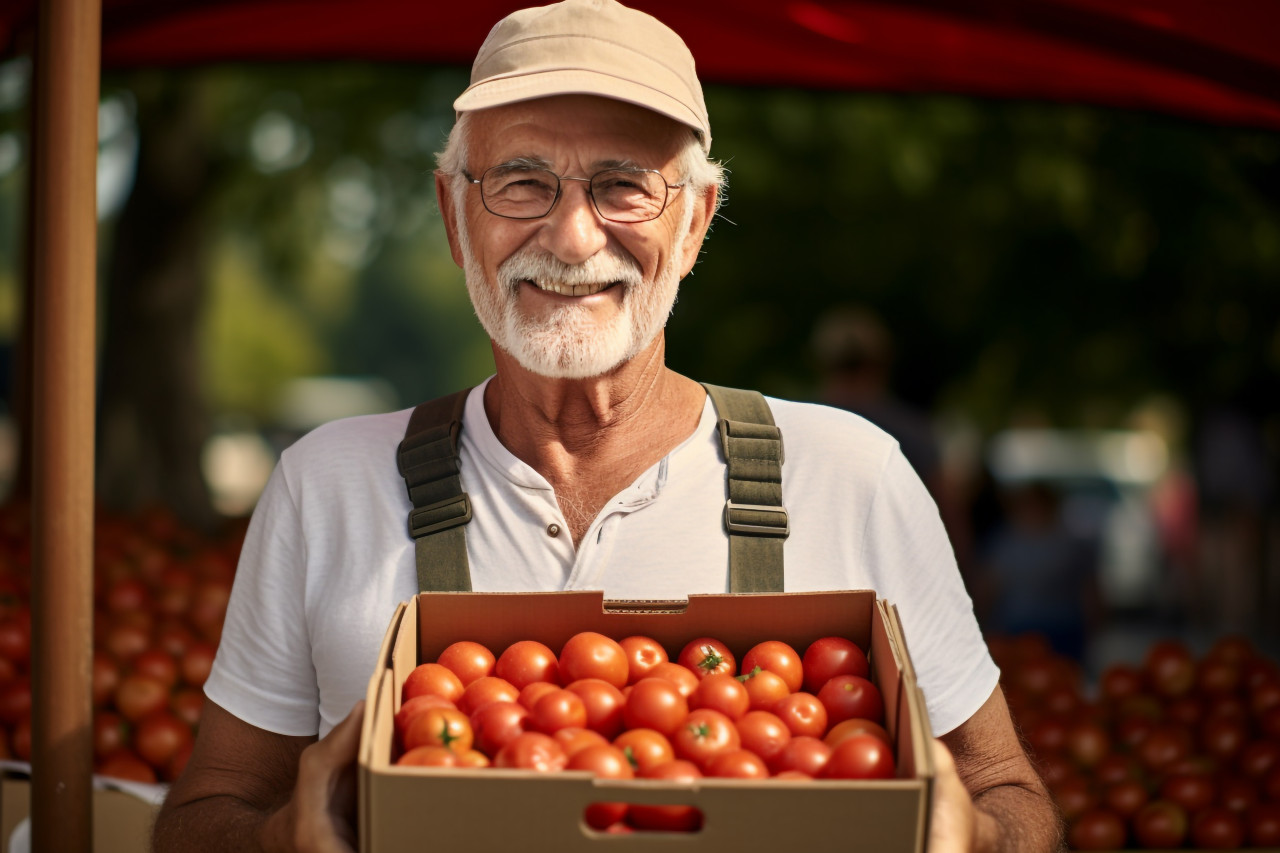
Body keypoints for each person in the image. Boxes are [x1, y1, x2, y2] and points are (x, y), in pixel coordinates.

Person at [153, 1, 1063, 851]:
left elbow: (1011, 796)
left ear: (697, 223)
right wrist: (282, 834)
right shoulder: (329, 485)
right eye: (521, 181)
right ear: (451, 213)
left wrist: (972, 834)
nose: (575, 236)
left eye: (624, 187)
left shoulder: (849, 476)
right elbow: (201, 816)